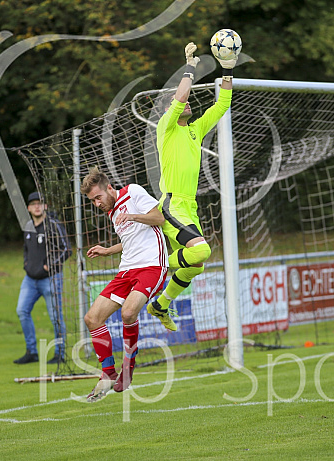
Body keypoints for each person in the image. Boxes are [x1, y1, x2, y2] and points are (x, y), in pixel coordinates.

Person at [147, 41, 236, 331]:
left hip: (190, 206)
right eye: (179, 101)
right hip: (172, 203)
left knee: (195, 265)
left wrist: (227, 69)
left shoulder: (195, 130)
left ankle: (160, 305)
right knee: (201, 251)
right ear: (169, 109)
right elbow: (181, 94)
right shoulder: (166, 127)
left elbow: (222, 104)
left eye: (185, 101)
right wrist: (190, 67)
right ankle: (152, 266)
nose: (186, 102)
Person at [81, 167, 168, 402]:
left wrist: (132, 216)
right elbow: (129, 240)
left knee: (128, 313)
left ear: (109, 188)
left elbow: (158, 218)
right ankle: (108, 373)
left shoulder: (133, 192)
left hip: (152, 265)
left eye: (98, 197)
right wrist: (108, 249)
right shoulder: (112, 213)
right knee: (92, 318)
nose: (97, 203)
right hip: (127, 269)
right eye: (92, 201)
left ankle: (128, 368)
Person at [13, 191, 71, 365]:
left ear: (45, 206)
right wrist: (26, 264)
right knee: (22, 311)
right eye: (33, 204)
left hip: (51, 279)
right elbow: (26, 249)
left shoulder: (54, 225)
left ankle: (60, 353)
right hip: (30, 280)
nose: (37, 206)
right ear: (29, 208)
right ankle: (32, 352)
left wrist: (50, 265)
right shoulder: (28, 226)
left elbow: (67, 249)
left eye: (40, 203)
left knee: (56, 317)